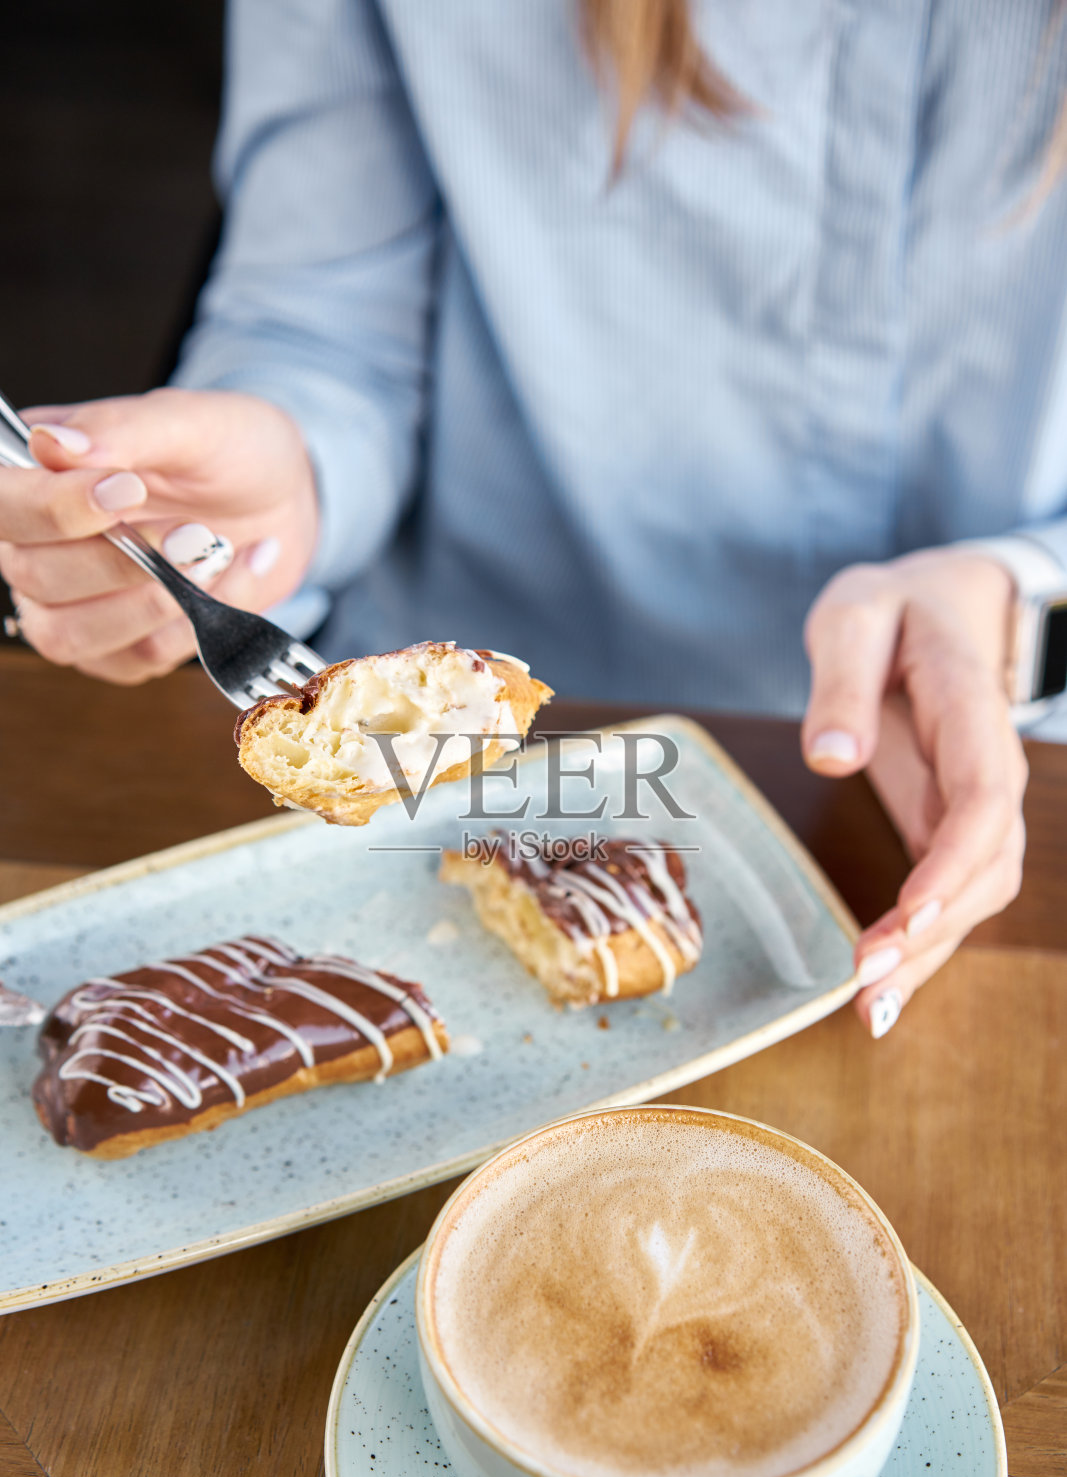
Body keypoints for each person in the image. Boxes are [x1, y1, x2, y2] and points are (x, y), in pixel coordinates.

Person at [2, 0, 1064, 1039]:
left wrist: (1015, 612)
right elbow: (323, 315)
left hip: (971, 792)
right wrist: (278, 489)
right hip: (449, 789)